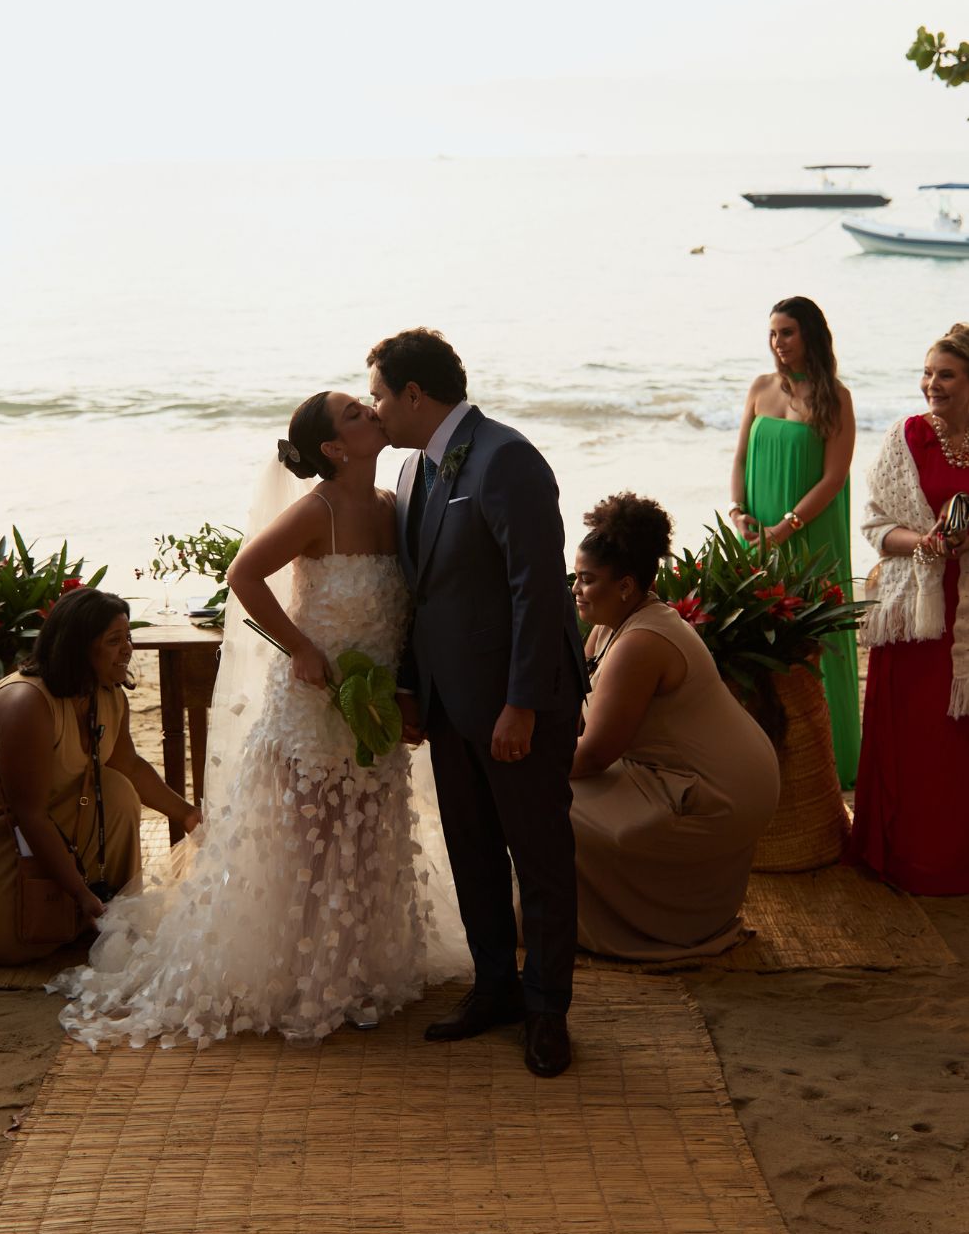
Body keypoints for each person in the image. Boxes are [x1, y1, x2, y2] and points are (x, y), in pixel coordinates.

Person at [52, 392, 467, 1050]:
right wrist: (300, 646)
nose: (370, 412)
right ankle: (306, 979)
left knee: (367, 839)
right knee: (309, 843)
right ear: (333, 448)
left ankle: (357, 973)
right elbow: (243, 575)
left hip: (371, 701)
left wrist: (403, 690)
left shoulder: (391, 506)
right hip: (311, 702)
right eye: (355, 414)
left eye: (366, 405)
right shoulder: (315, 511)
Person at [368, 329, 588, 1078]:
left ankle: (547, 1008)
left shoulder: (507, 459)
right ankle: (493, 986)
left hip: (515, 705)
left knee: (541, 856)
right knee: (471, 853)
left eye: (378, 395)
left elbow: (537, 588)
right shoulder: (407, 473)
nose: (374, 410)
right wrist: (407, 685)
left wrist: (521, 704)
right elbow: (416, 592)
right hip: (446, 704)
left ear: (414, 395)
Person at [0, 588, 199, 964]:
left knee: (117, 790)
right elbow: (28, 813)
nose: (127, 649)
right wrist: (79, 893)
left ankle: (107, 901)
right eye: (114, 641)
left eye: (127, 637)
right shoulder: (26, 703)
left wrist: (189, 815)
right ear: (79, 647)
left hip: (33, 808)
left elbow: (127, 764)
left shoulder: (107, 693)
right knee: (9, 943)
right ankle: (80, 903)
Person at [570, 494, 780, 960]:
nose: (576, 590)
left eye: (587, 580)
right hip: (686, 771)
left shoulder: (640, 642)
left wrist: (519, 765)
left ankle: (655, 923)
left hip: (721, 792)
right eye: (576, 577)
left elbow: (592, 754)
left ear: (625, 585)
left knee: (548, 803)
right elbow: (569, 697)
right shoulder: (611, 624)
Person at [850, 324, 969, 894]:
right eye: (927, 373)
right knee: (916, 737)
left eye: (945, 374)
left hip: (964, 613)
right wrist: (924, 542)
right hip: (917, 614)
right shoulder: (906, 437)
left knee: (956, 741)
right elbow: (874, 524)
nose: (931, 384)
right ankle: (904, 860)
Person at [730, 296, 859, 787]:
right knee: (757, 638)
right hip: (756, 532)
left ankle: (836, 757)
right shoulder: (760, 388)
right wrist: (740, 513)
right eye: (772, 334)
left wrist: (784, 529)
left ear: (810, 335)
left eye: (786, 332)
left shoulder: (836, 397)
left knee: (818, 638)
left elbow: (833, 479)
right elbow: (740, 457)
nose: (777, 343)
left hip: (809, 532)